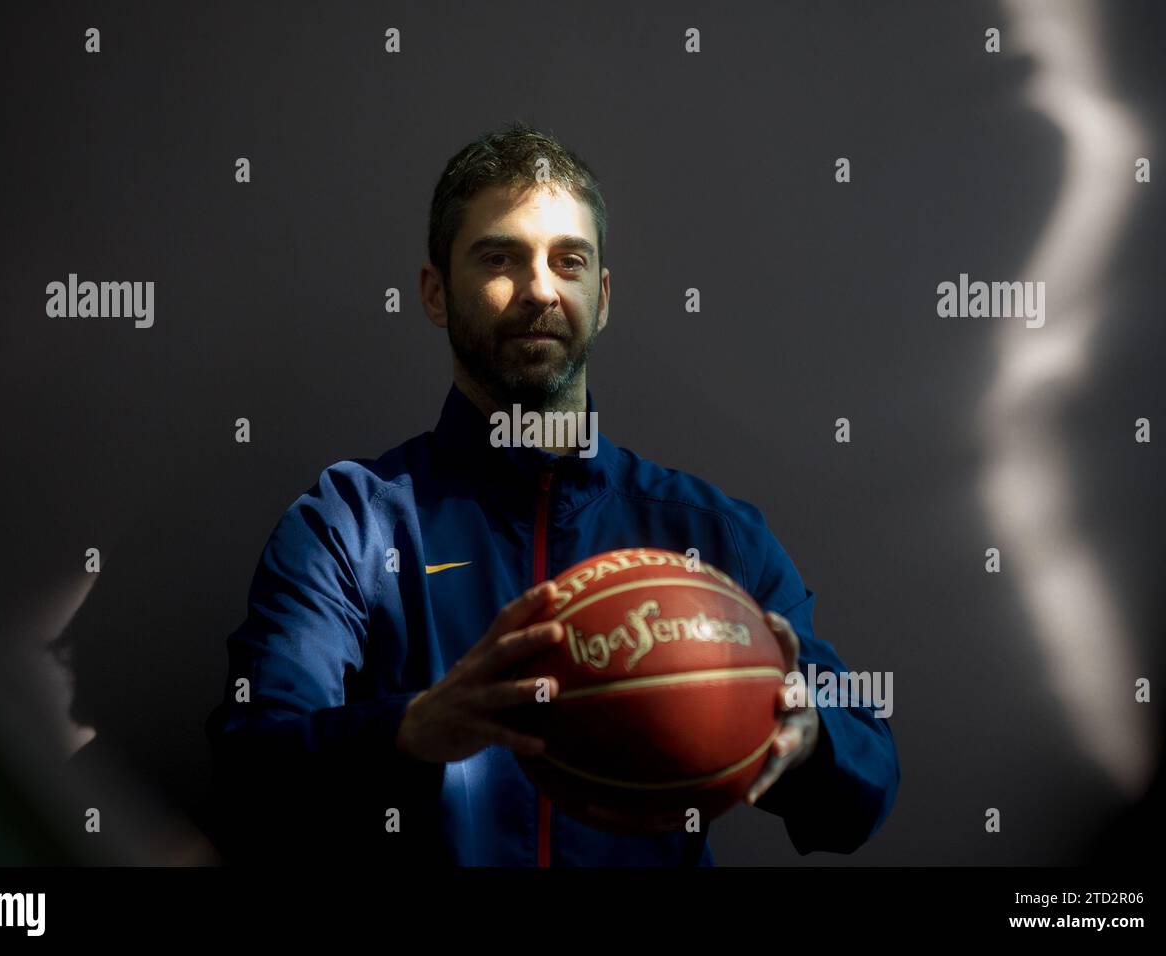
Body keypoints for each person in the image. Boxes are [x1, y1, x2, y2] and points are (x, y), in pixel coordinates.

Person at [205, 121, 900, 866]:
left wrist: (811, 740)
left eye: (568, 261)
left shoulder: (712, 536)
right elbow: (250, 774)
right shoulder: (350, 525)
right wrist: (412, 728)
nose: (540, 289)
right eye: (499, 258)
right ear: (435, 294)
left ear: (601, 297)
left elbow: (864, 795)